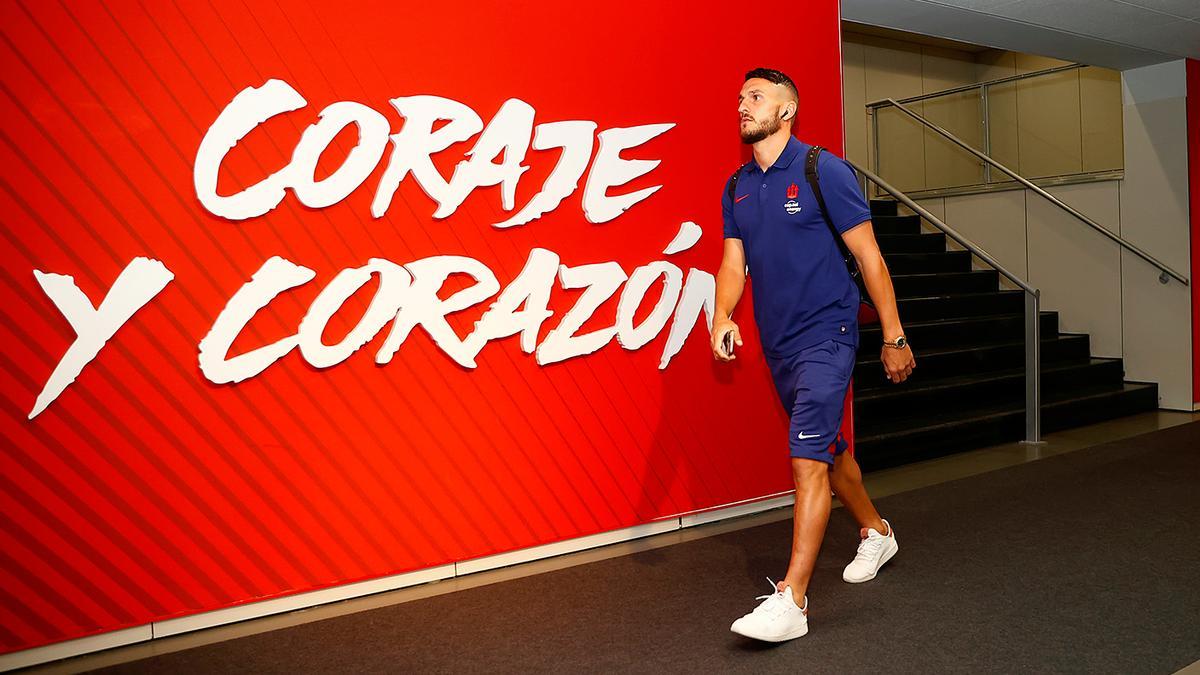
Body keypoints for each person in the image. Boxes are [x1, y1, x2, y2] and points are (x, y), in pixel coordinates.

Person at [714, 68, 916, 642]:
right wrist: (723, 314)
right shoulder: (737, 187)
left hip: (829, 335)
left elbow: (871, 257)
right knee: (828, 450)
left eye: (756, 96)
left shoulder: (821, 169)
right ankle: (876, 530)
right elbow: (734, 264)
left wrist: (894, 336)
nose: (743, 104)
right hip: (779, 345)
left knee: (805, 461)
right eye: (740, 97)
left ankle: (792, 600)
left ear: (787, 110)